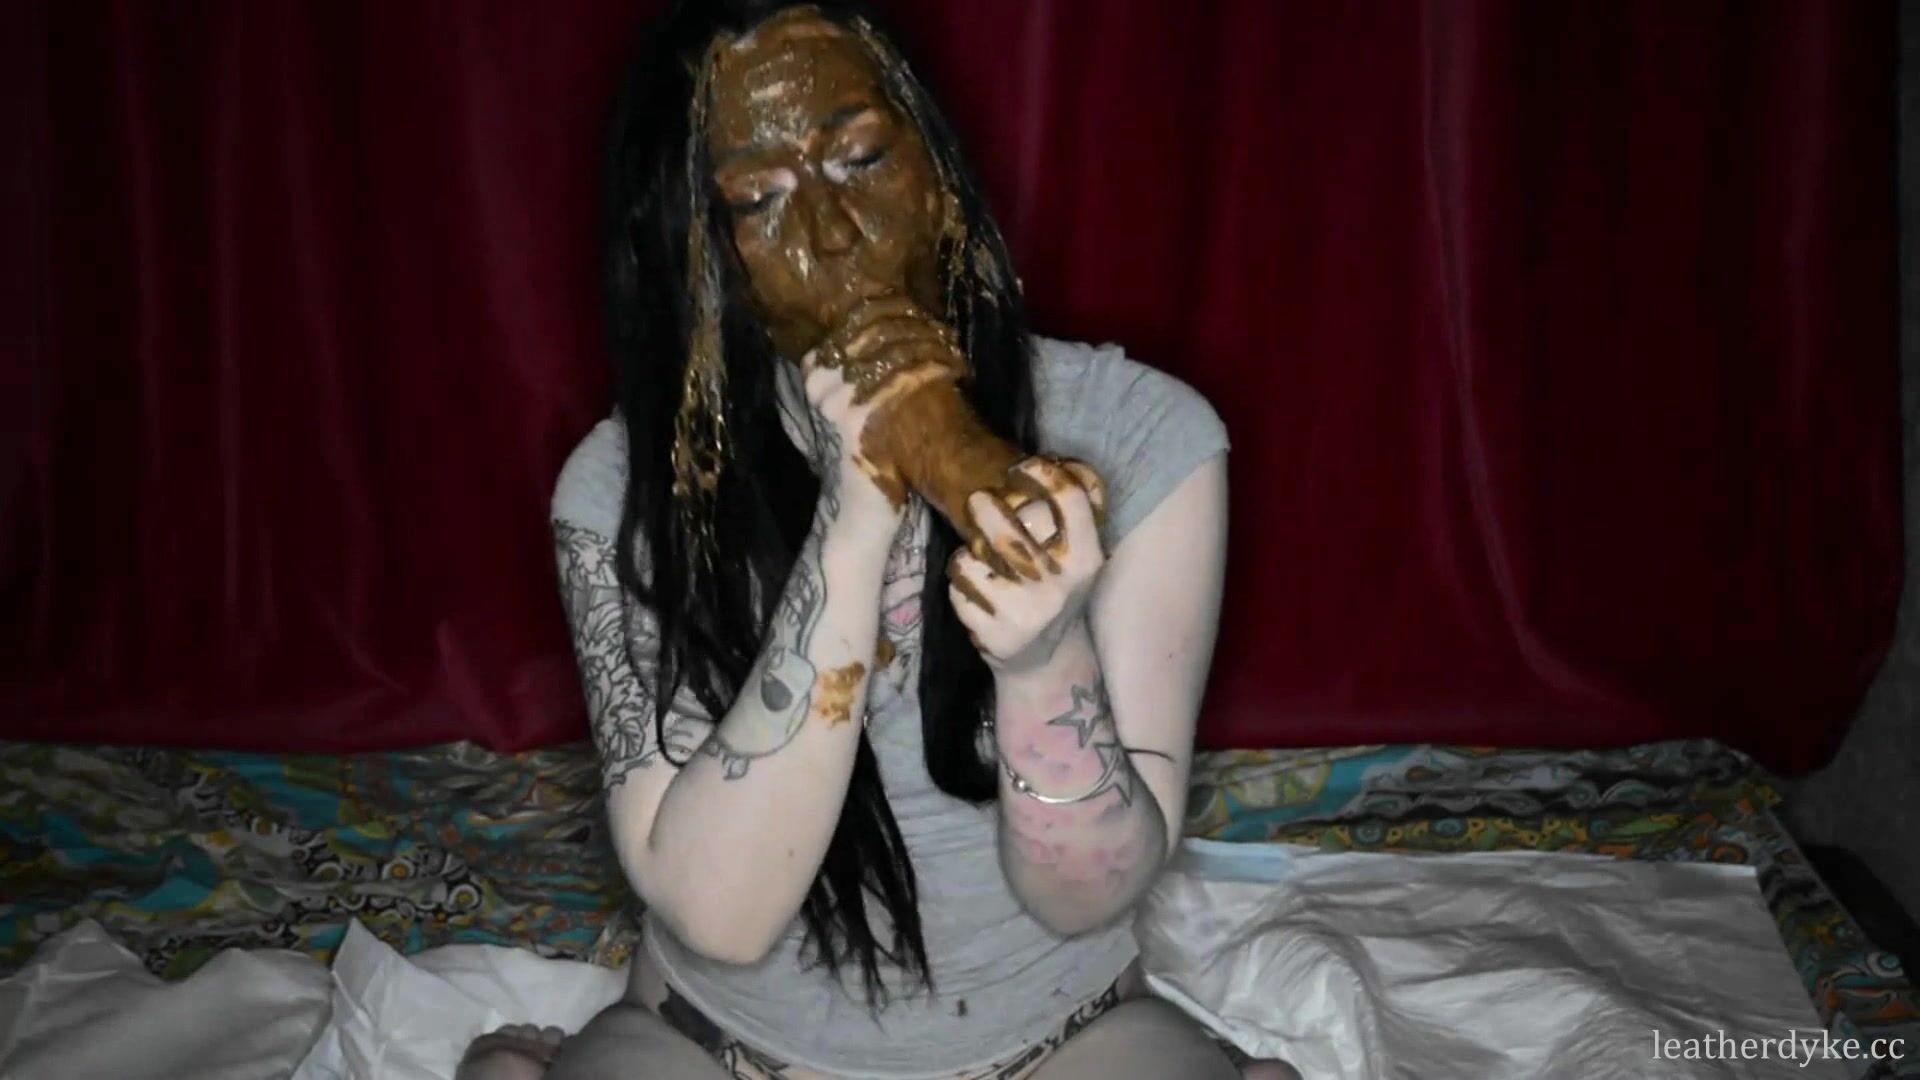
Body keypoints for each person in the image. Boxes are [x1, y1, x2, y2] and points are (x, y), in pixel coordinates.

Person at [462, 2, 1293, 1077]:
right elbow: (722, 915)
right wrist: (854, 523)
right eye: (759, 198)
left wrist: (1044, 660)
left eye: (860, 159)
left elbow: (1088, 893)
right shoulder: (622, 485)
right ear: (697, 251)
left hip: (1060, 1040)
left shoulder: (1141, 435)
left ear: (935, 176)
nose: (832, 233)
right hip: (718, 1045)